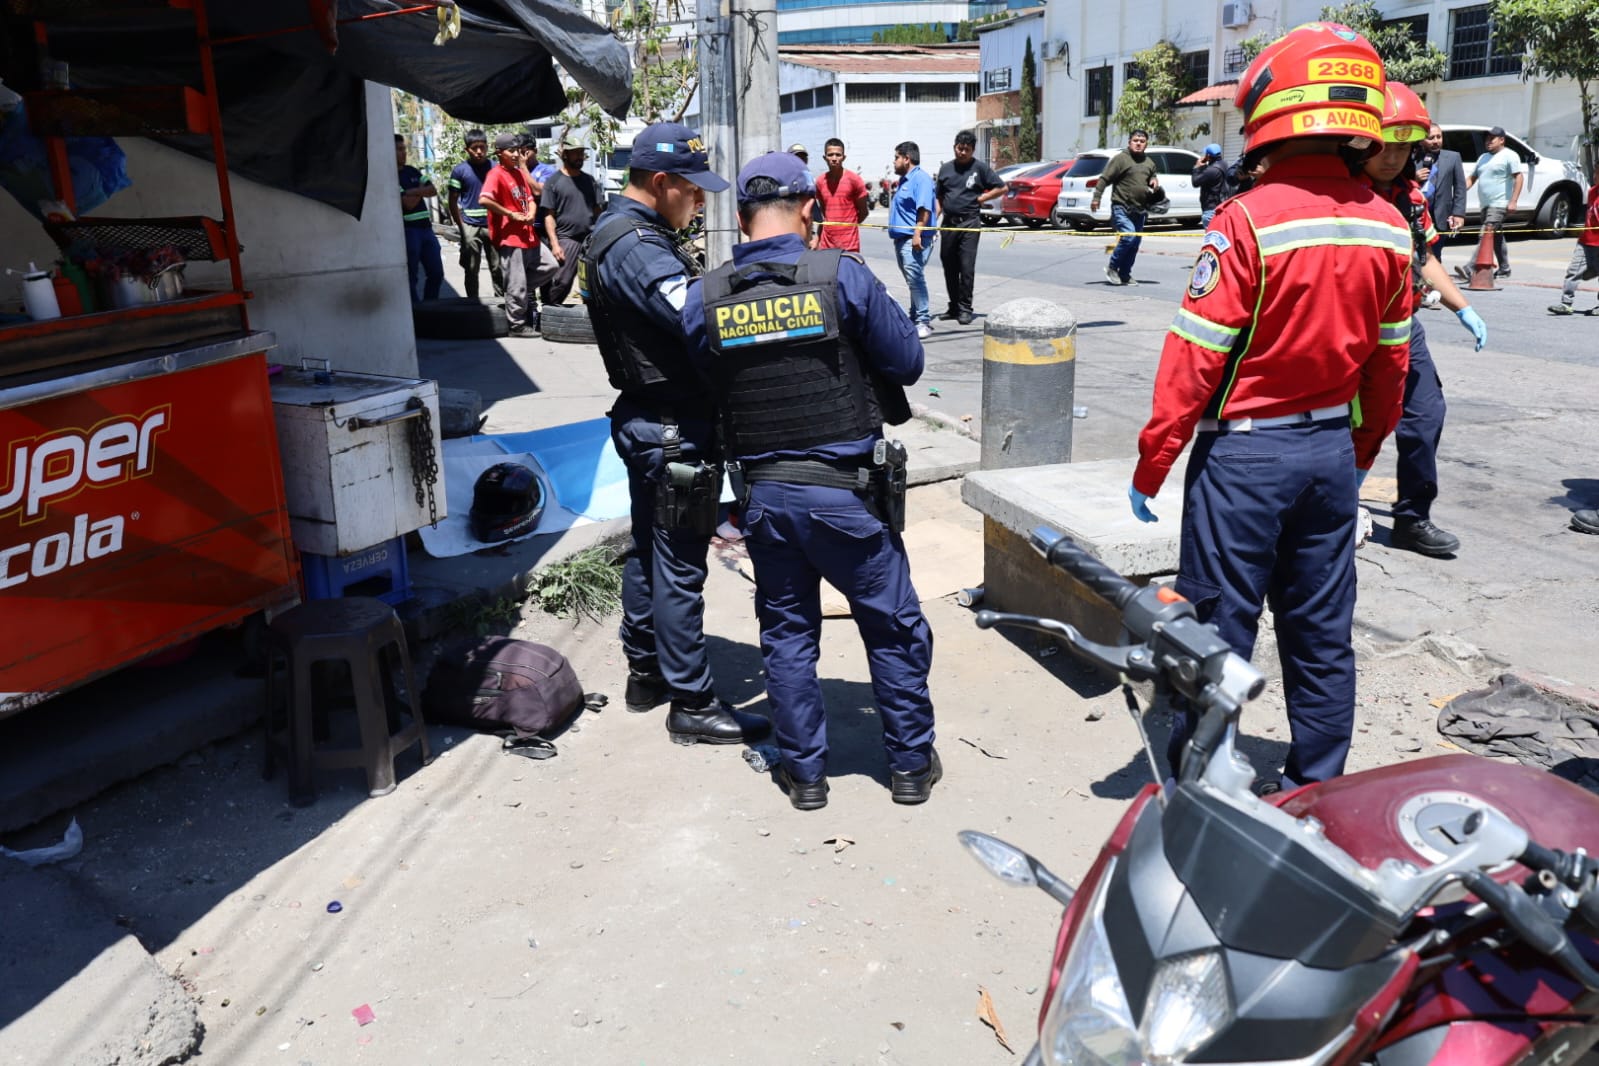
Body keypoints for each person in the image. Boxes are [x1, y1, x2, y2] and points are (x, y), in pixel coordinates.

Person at [1128, 23, 1412, 791]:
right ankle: (1312, 790)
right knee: (1320, 633)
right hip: (1329, 456)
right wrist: (1358, 455)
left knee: (1214, 630)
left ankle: (1203, 789)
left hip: (1244, 458)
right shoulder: (1390, 227)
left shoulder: (1245, 220)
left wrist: (1153, 463)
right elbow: (1389, 368)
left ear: (1269, 112)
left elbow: (1193, 359)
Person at [682, 151, 936, 809]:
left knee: (788, 634)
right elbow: (907, 362)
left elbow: (704, 389)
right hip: (846, 496)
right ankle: (910, 768)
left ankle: (805, 778)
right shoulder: (841, 275)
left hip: (765, 500)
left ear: (741, 217)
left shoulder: (704, 297)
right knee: (892, 627)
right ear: (808, 209)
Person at [579, 122, 771, 747]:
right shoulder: (638, 246)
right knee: (681, 564)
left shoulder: (622, 232)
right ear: (661, 183)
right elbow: (700, 318)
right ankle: (692, 702)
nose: (699, 203)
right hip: (670, 429)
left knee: (649, 547)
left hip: (652, 420)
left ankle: (647, 672)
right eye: (692, 191)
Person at [1356, 82, 1488, 559]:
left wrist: (1463, 307)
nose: (1393, 157)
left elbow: (1424, 257)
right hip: (1346, 332)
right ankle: (1323, 513)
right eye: (1384, 146)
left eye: (1403, 148)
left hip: (1402, 330)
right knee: (1346, 426)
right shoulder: (1342, 195)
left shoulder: (1411, 199)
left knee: (1426, 415)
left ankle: (1412, 519)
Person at [478, 132, 558, 336]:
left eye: (518, 151)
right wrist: (510, 214)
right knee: (516, 283)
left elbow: (531, 198)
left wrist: (531, 212)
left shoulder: (520, 173)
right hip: (510, 237)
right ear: (499, 153)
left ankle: (516, 292)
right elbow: (484, 200)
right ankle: (517, 325)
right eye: (511, 151)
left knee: (550, 266)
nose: (516, 155)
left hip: (529, 235)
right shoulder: (496, 174)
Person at [933, 130, 1006, 325]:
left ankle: (965, 308)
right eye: (960, 148)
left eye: (967, 149)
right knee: (949, 266)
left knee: (966, 267)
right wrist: (933, 221)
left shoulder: (980, 168)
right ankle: (954, 306)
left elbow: (1002, 187)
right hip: (949, 224)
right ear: (954, 147)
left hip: (970, 223)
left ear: (973, 150)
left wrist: (982, 198)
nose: (962, 152)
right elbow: (939, 197)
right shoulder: (945, 169)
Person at [538, 133, 601, 306]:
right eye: (575, 153)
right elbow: (549, 215)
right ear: (565, 155)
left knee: (592, 285)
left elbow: (598, 210)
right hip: (567, 239)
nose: (579, 156)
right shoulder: (553, 182)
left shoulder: (590, 181)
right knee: (562, 281)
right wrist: (555, 244)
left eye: (581, 152)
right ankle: (549, 311)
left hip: (590, 239)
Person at [1091, 130, 1160, 286]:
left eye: (1142, 141)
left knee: (1134, 244)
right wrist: (1096, 198)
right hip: (1121, 206)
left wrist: (1154, 180)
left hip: (1140, 210)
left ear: (1146, 144)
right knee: (1128, 236)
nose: (1138, 143)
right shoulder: (1121, 159)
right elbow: (1104, 178)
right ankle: (1112, 267)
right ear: (1129, 142)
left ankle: (1125, 274)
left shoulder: (1149, 162)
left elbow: (1152, 175)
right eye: (1135, 140)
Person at [446, 129, 503, 300]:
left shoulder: (496, 168)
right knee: (471, 269)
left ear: (487, 147)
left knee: (498, 267)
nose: (479, 151)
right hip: (470, 226)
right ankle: (473, 304)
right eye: (474, 148)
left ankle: (501, 302)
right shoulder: (459, 171)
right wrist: (461, 226)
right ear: (467, 150)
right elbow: (452, 200)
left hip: (494, 225)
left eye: (482, 147)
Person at [887, 141, 936, 338]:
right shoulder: (905, 180)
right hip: (902, 239)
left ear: (907, 159)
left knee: (915, 278)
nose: (894, 161)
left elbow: (924, 209)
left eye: (896, 157)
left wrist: (917, 234)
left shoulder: (921, 179)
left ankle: (923, 321)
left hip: (913, 238)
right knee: (912, 279)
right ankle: (915, 317)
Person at [1465, 125, 1524, 278]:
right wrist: (1458, 192)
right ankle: (1504, 268)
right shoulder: (1483, 158)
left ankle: (1470, 267)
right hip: (1485, 205)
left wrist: (1513, 201)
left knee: (1486, 232)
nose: (1488, 141)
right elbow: (1472, 178)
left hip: (1499, 204)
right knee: (1496, 237)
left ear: (1502, 140)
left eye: (1492, 138)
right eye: (1487, 139)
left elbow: (1519, 177)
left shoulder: (1510, 155)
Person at [396, 134, 443, 303]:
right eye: (399, 149)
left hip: (426, 230)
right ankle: (416, 310)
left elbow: (433, 190)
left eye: (404, 149)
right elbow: (408, 205)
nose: (403, 153)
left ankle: (431, 306)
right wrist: (421, 190)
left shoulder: (412, 171)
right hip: (409, 231)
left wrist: (413, 191)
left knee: (436, 273)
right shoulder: (391, 176)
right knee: (411, 276)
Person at [1414, 123, 1465, 267]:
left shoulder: (1453, 157)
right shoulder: (1412, 158)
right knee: (1417, 255)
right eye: (1431, 138)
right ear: (1422, 140)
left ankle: (1434, 278)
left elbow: (1460, 187)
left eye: (1439, 137)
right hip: (1417, 216)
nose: (1436, 141)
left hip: (1440, 216)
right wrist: (1414, 178)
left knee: (1435, 256)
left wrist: (1458, 214)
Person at [1548, 183, 1599, 317]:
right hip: (1586, 241)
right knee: (1573, 270)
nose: (1596, 177)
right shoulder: (1592, 191)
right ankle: (1566, 303)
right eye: (1596, 173)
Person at [814, 138, 870, 252]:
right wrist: (817, 238)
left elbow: (864, 212)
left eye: (838, 155)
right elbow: (824, 214)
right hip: (826, 246)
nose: (834, 158)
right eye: (830, 155)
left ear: (844, 157)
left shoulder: (855, 180)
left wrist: (848, 229)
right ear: (824, 157)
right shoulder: (820, 182)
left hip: (849, 246)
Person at [1192, 143, 1227, 228]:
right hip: (1220, 206)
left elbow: (1195, 182)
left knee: (1211, 235)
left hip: (1211, 210)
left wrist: (1196, 167)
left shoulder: (1211, 170)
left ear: (1208, 155)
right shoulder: (1224, 164)